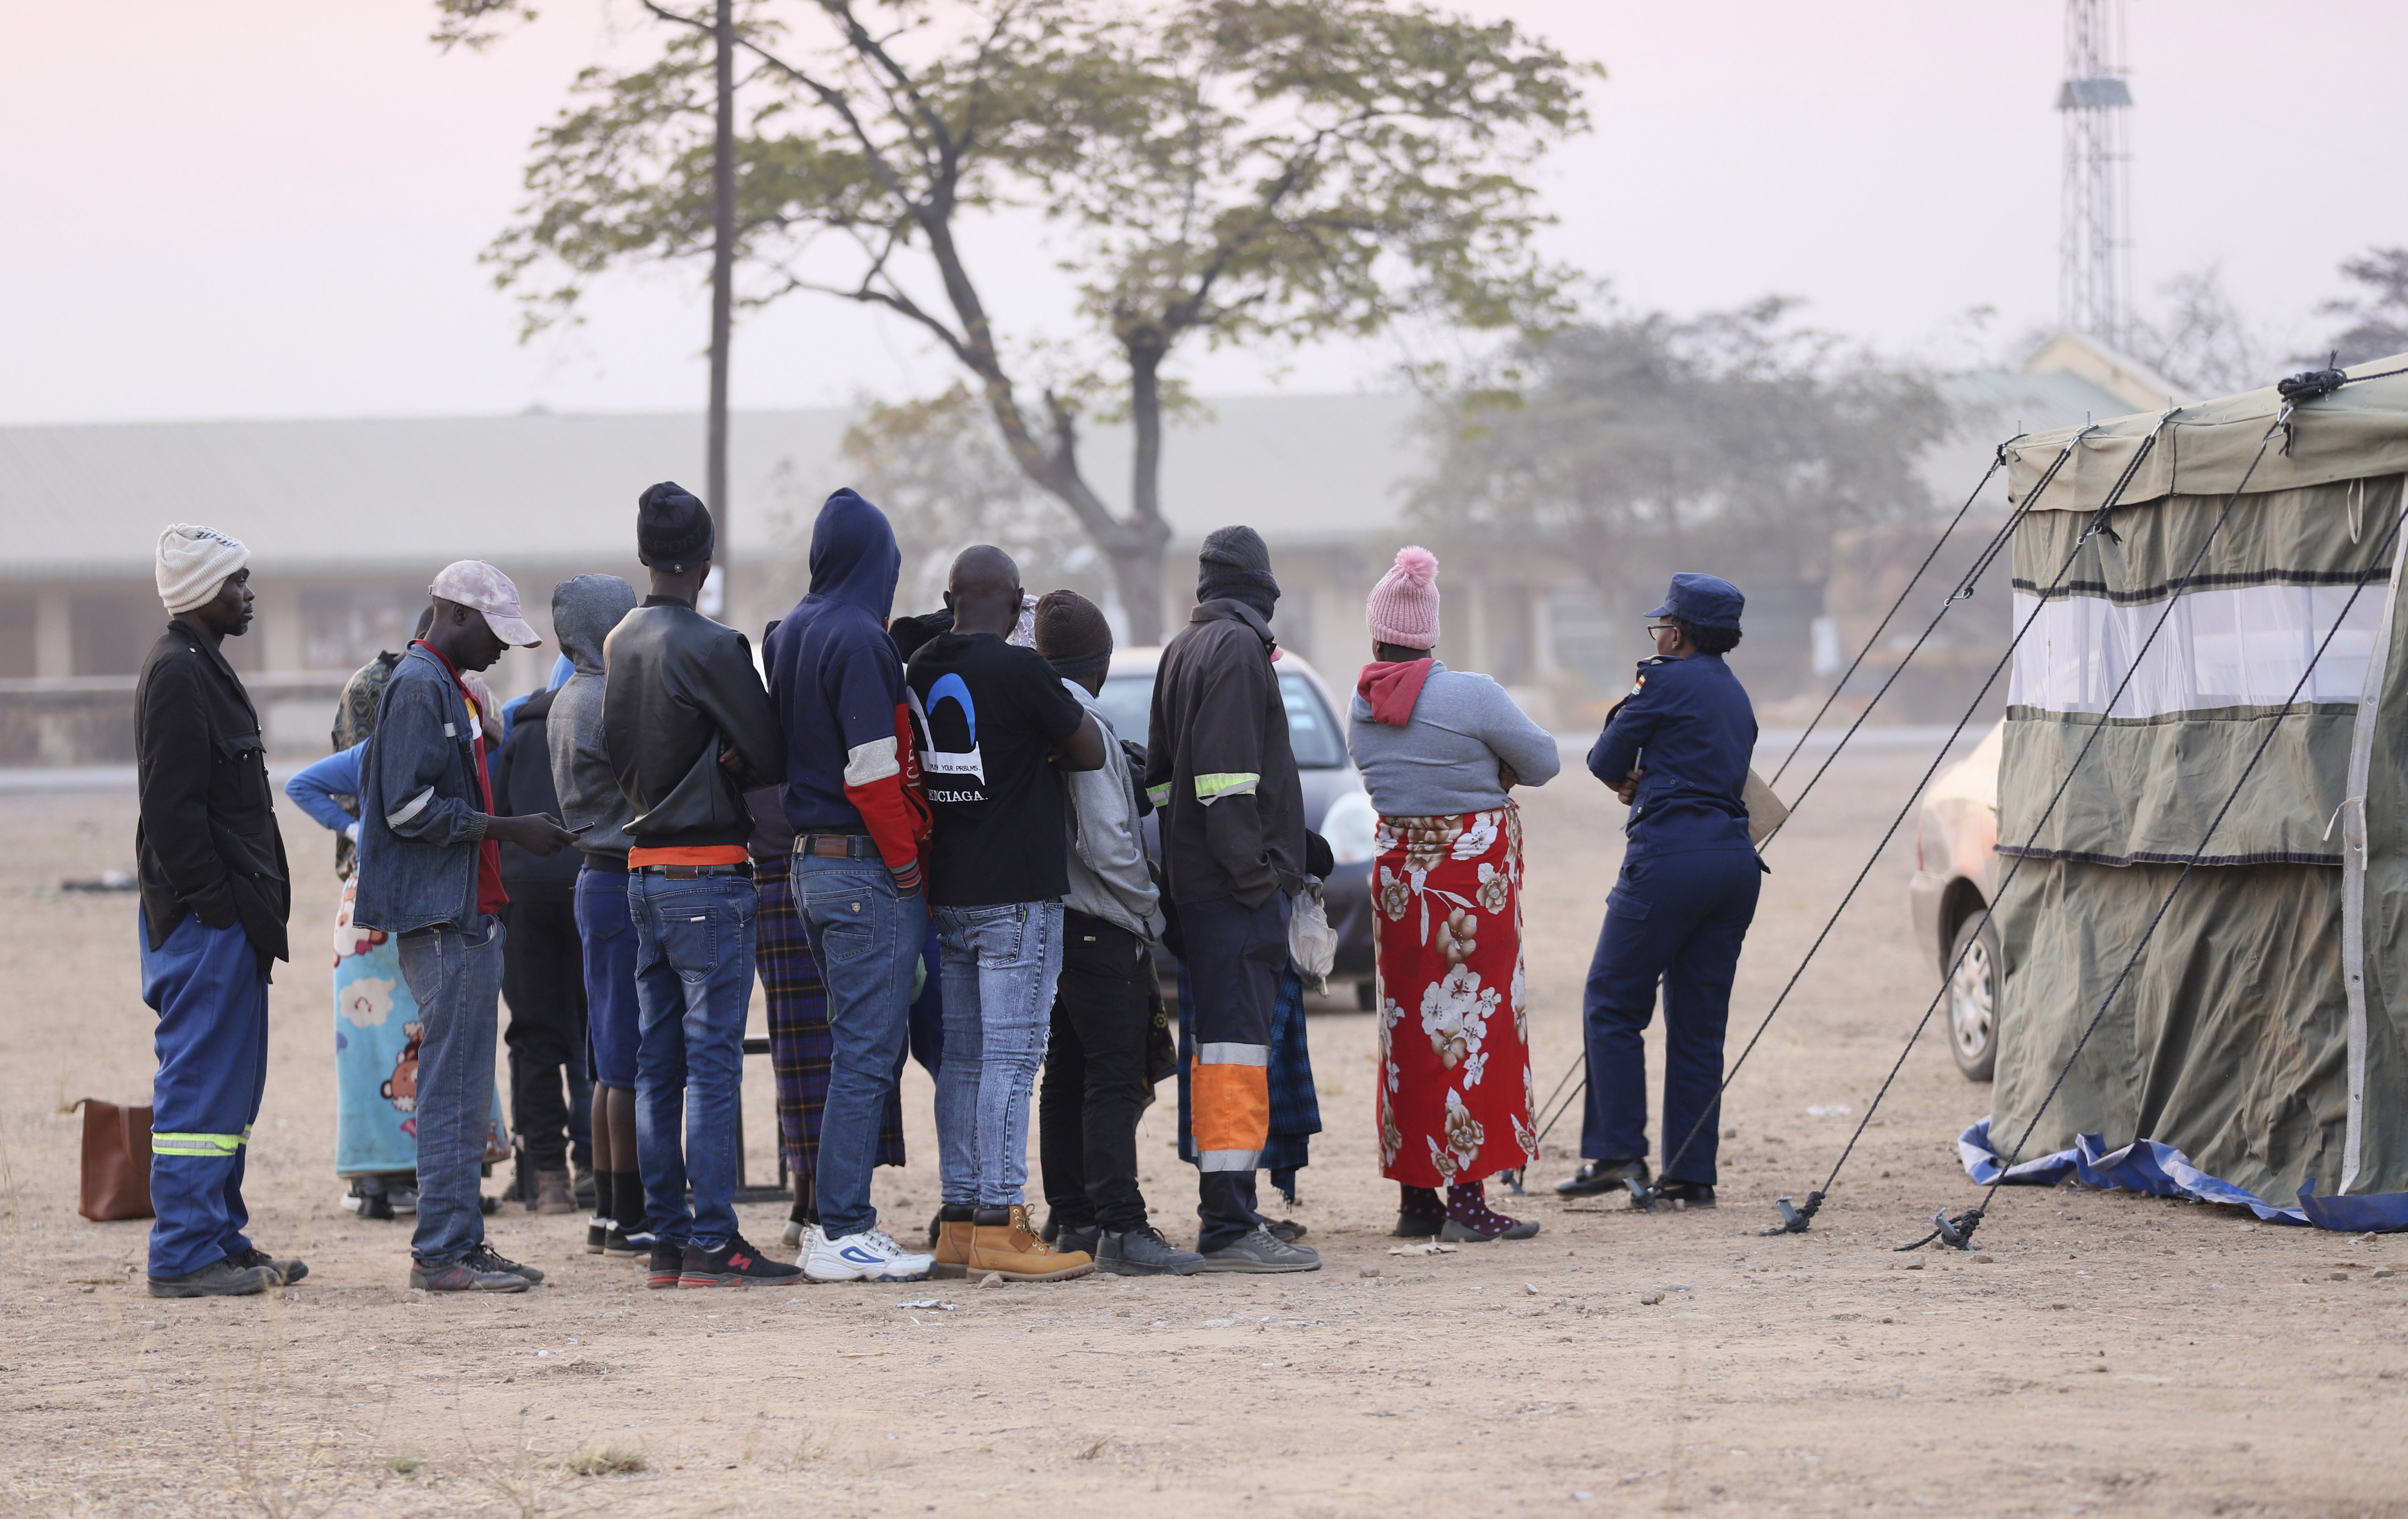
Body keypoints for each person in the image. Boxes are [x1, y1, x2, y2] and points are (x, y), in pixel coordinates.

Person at [355, 561, 576, 1293]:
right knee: (452, 1086)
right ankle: (442, 1250)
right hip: (442, 916)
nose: (503, 650)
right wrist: (509, 827)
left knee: (463, 1082)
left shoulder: (446, 686)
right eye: (495, 633)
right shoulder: (419, 687)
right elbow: (407, 809)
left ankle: (462, 1241)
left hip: (468, 911)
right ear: (454, 615)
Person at [602, 482, 794, 1289]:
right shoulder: (717, 646)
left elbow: (623, 749)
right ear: (707, 560)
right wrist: (726, 752)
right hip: (710, 876)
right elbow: (770, 752)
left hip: (641, 872)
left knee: (659, 1066)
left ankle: (670, 1244)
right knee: (714, 1067)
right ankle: (716, 1243)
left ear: (645, 556)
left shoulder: (617, 640)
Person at [1345, 546, 1560, 1241]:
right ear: (1430, 630)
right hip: (1469, 890)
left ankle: (1417, 1198)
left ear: (1376, 630)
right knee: (1473, 1031)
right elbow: (1545, 761)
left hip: (1402, 890)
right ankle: (1468, 1200)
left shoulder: (1361, 703)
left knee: (1411, 1029)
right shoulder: (1472, 694)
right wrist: (1490, 767)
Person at [908, 549, 1106, 1283]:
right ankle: (1003, 1222)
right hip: (1016, 894)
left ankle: (958, 1223)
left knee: (960, 1059)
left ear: (950, 596)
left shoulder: (922, 664)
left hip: (950, 889)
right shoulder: (1024, 673)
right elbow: (1086, 750)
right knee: (1013, 1059)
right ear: (1018, 600)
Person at [763, 487, 939, 1285]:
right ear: (878, 563)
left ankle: (828, 1222)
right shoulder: (861, 638)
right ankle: (843, 1227)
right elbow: (871, 771)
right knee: (868, 1054)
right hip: (864, 864)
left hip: (807, 859)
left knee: (850, 1050)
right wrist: (906, 866)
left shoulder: (792, 629)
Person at [1144, 526, 1322, 1273]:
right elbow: (1224, 787)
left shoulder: (1180, 648)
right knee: (1233, 1058)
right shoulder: (1240, 652)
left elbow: (1160, 783)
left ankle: (1233, 1204)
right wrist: (1259, 880)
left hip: (1199, 893)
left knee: (1218, 1054)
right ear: (1262, 592)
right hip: (1233, 897)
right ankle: (1226, 1221)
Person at [134, 525, 302, 1299]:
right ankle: (182, 1253)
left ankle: (219, 1235)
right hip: (206, 923)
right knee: (200, 1085)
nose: (249, 594)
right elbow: (172, 815)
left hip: (232, 919)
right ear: (203, 592)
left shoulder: (206, 666)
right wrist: (218, 908)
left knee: (232, 1087)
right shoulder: (176, 672)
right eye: (237, 581)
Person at [1558, 573, 1762, 1208]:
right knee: (1699, 1023)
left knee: (1613, 1001)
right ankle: (1691, 1174)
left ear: (1675, 633)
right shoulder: (1737, 695)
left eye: (1661, 627)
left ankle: (1619, 1152)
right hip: (1735, 865)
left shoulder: (1665, 679)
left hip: (1670, 857)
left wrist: (1634, 768)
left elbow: (1601, 761)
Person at [1028, 590, 1200, 1277]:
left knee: (1065, 1073)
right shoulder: (1086, 723)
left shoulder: (1037, 712)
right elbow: (1108, 843)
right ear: (1099, 665)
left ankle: (1072, 1215)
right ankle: (1123, 1227)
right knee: (1114, 1077)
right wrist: (1151, 911)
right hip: (1104, 922)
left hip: (1057, 922)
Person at [287, 742, 512, 1222]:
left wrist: (355, 832)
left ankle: (375, 1176)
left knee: (371, 1046)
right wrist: (356, 829)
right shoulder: (450, 749)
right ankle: (446, 1176)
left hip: (368, 905)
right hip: (429, 895)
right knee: (445, 1031)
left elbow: (301, 784)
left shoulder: (373, 751)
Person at [546, 573, 651, 1257]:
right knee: (626, 1062)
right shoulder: (607, 700)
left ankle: (610, 1212)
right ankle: (630, 1208)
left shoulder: (565, 696)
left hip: (593, 878)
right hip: (621, 876)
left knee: (608, 1056)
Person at [491, 667, 592, 1214]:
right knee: (597, 1032)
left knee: (533, 1034)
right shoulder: (607, 711)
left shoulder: (521, 725)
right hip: (594, 882)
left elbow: (503, 811)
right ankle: (597, 1168)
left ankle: (550, 1179)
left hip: (524, 890)